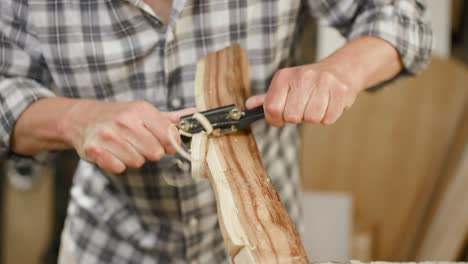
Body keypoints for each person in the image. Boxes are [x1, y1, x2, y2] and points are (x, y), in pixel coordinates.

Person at [0, 0, 432, 263]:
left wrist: (339, 72)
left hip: (268, 244)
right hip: (111, 243)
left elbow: (401, 18)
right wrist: (75, 119)